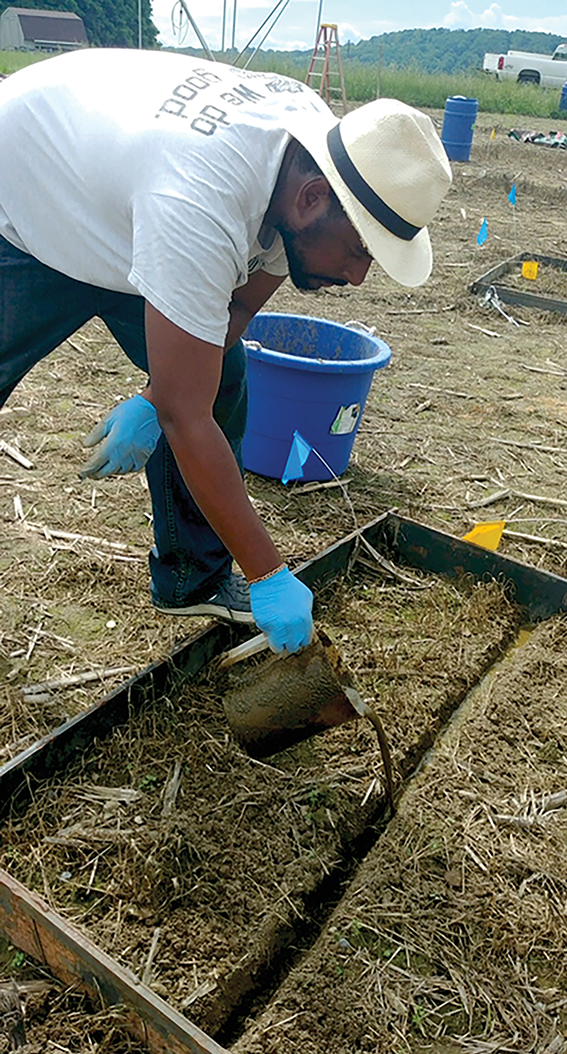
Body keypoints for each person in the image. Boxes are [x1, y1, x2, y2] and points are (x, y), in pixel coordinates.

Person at [0, 49, 452, 654]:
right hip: (30, 189)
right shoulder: (200, 201)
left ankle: (193, 579)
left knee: (223, 377)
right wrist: (270, 572)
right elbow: (187, 418)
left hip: (134, 203)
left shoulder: (305, 166)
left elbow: (234, 312)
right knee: (192, 405)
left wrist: (158, 395)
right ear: (313, 199)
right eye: (358, 250)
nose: (359, 276)